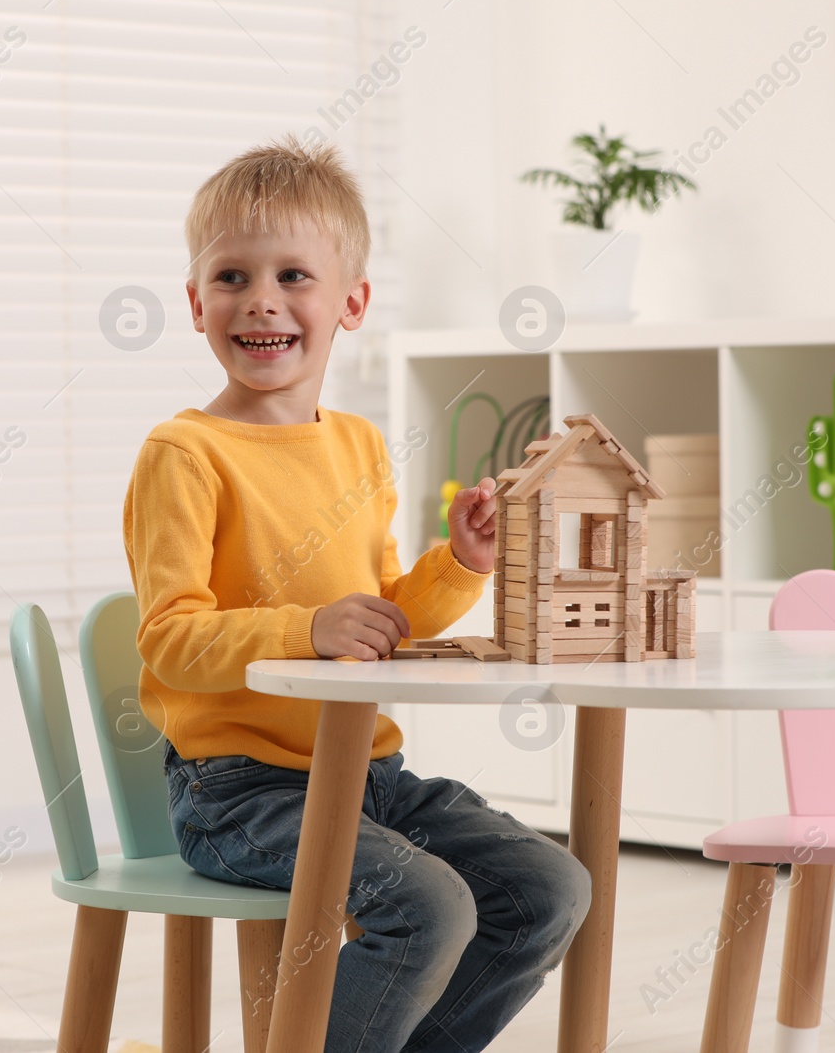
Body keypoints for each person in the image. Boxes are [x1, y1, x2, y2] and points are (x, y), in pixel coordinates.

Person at [122, 134, 591, 1052]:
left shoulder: (362, 448)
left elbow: (385, 617)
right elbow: (171, 637)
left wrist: (462, 561)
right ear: (195, 303)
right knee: (428, 906)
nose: (262, 299)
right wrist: (308, 627)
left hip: (369, 775)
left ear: (352, 303)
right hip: (239, 793)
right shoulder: (184, 454)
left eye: (294, 274)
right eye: (232, 277)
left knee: (548, 889)